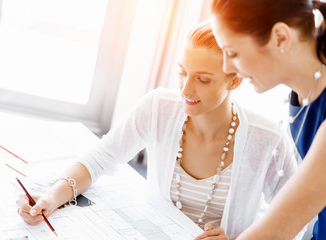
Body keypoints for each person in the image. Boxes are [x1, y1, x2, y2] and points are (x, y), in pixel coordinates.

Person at [16, 21, 299, 240]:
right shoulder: (159, 107)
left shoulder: (267, 137)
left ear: (235, 82)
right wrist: (52, 197)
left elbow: (298, 218)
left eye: (202, 79)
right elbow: (101, 158)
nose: (186, 89)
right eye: (182, 72)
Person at [209, 0, 326, 239]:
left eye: (232, 53)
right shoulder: (302, 95)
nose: (226, 67)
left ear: (281, 38)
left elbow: (283, 225)